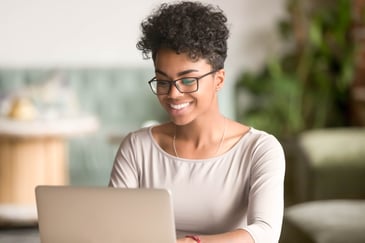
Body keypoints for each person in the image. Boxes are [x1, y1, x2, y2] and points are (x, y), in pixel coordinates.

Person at [109, 1, 286, 243]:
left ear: (219, 79)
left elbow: (265, 233)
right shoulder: (137, 148)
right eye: (163, 81)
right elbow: (113, 228)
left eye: (188, 80)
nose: (173, 94)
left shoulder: (259, 149)